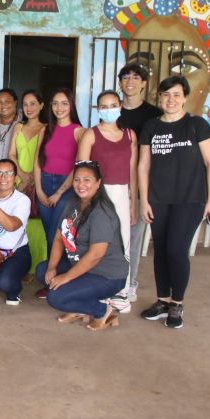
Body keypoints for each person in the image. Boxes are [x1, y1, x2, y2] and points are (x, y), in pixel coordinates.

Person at [138, 76, 210, 329]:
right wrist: (144, 200)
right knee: (160, 249)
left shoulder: (197, 125)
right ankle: (162, 301)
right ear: (159, 98)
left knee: (175, 249)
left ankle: (177, 303)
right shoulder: (151, 126)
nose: (170, 100)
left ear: (184, 97)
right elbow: (143, 165)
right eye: (165, 95)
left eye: (176, 95)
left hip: (190, 199)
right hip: (159, 199)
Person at [35, 161, 129, 331]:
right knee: (43, 272)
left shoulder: (101, 213)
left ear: (98, 183)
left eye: (87, 180)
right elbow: (58, 238)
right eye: (77, 180)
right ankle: (79, 307)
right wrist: (52, 267)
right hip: (80, 264)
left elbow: (95, 256)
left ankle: (102, 310)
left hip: (106, 274)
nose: (81, 184)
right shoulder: (72, 203)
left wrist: (66, 277)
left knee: (56, 298)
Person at [77, 90, 137, 314]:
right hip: (97, 193)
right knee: (96, 241)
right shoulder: (91, 135)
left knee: (123, 242)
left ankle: (122, 290)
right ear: (97, 109)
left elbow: (133, 170)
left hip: (121, 193)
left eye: (113, 105)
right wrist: (85, 201)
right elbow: (81, 171)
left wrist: (133, 202)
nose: (108, 109)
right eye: (103, 106)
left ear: (120, 106)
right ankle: (96, 289)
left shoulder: (130, 135)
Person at [117, 63, 161, 302]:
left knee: (133, 236)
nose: (130, 81)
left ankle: (130, 283)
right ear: (120, 83)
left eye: (136, 77)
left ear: (144, 83)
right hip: (113, 182)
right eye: (126, 77)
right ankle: (112, 281)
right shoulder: (113, 112)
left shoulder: (154, 115)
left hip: (141, 185)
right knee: (112, 236)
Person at [34, 89, 84, 251]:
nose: (59, 107)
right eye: (55, 103)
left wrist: (59, 193)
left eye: (64, 103)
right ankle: (51, 272)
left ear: (71, 106)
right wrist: (39, 190)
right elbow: (37, 162)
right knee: (48, 232)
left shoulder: (79, 131)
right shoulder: (45, 130)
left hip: (67, 186)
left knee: (56, 234)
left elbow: (78, 166)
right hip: (45, 182)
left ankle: (56, 272)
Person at [0, 159, 31, 305]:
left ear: (15, 177)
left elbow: (11, 226)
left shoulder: (22, 200)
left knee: (4, 282)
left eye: (8, 173)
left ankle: (15, 288)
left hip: (15, 253)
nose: (3, 178)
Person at [8, 90, 48, 275]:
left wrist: (32, 177)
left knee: (36, 224)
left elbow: (44, 157)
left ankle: (36, 268)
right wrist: (22, 175)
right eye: (25, 104)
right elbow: (11, 155)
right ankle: (18, 264)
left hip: (38, 180)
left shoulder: (46, 128)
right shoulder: (18, 127)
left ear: (41, 105)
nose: (29, 108)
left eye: (33, 103)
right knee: (18, 222)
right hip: (17, 179)